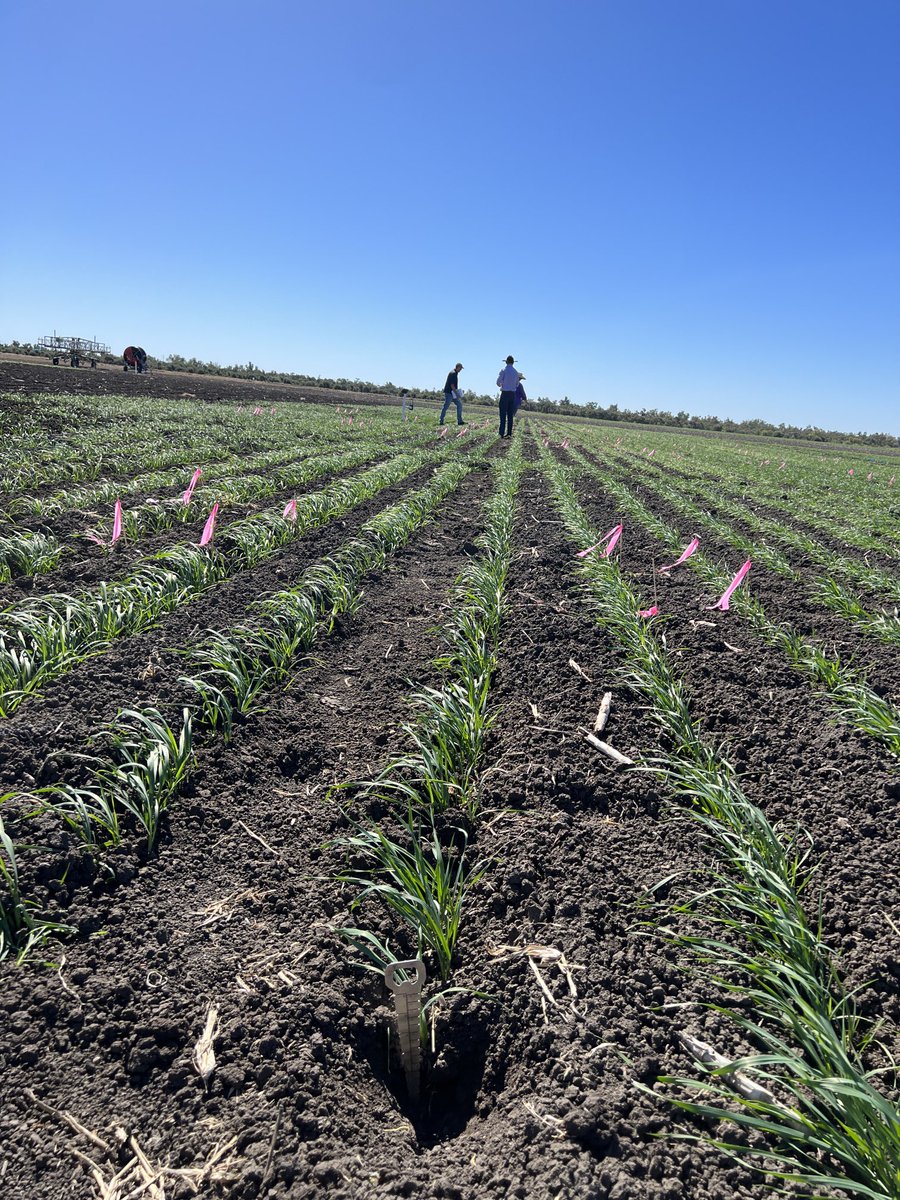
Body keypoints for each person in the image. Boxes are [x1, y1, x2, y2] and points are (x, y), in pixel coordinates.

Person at [496, 356, 524, 437]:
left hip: (505, 394)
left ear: (506, 362)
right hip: (512, 395)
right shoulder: (516, 372)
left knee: (502, 414)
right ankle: (509, 433)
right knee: (510, 415)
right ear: (513, 362)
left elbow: (498, 382)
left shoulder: (504, 370)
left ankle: (501, 433)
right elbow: (517, 384)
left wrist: (502, 384)